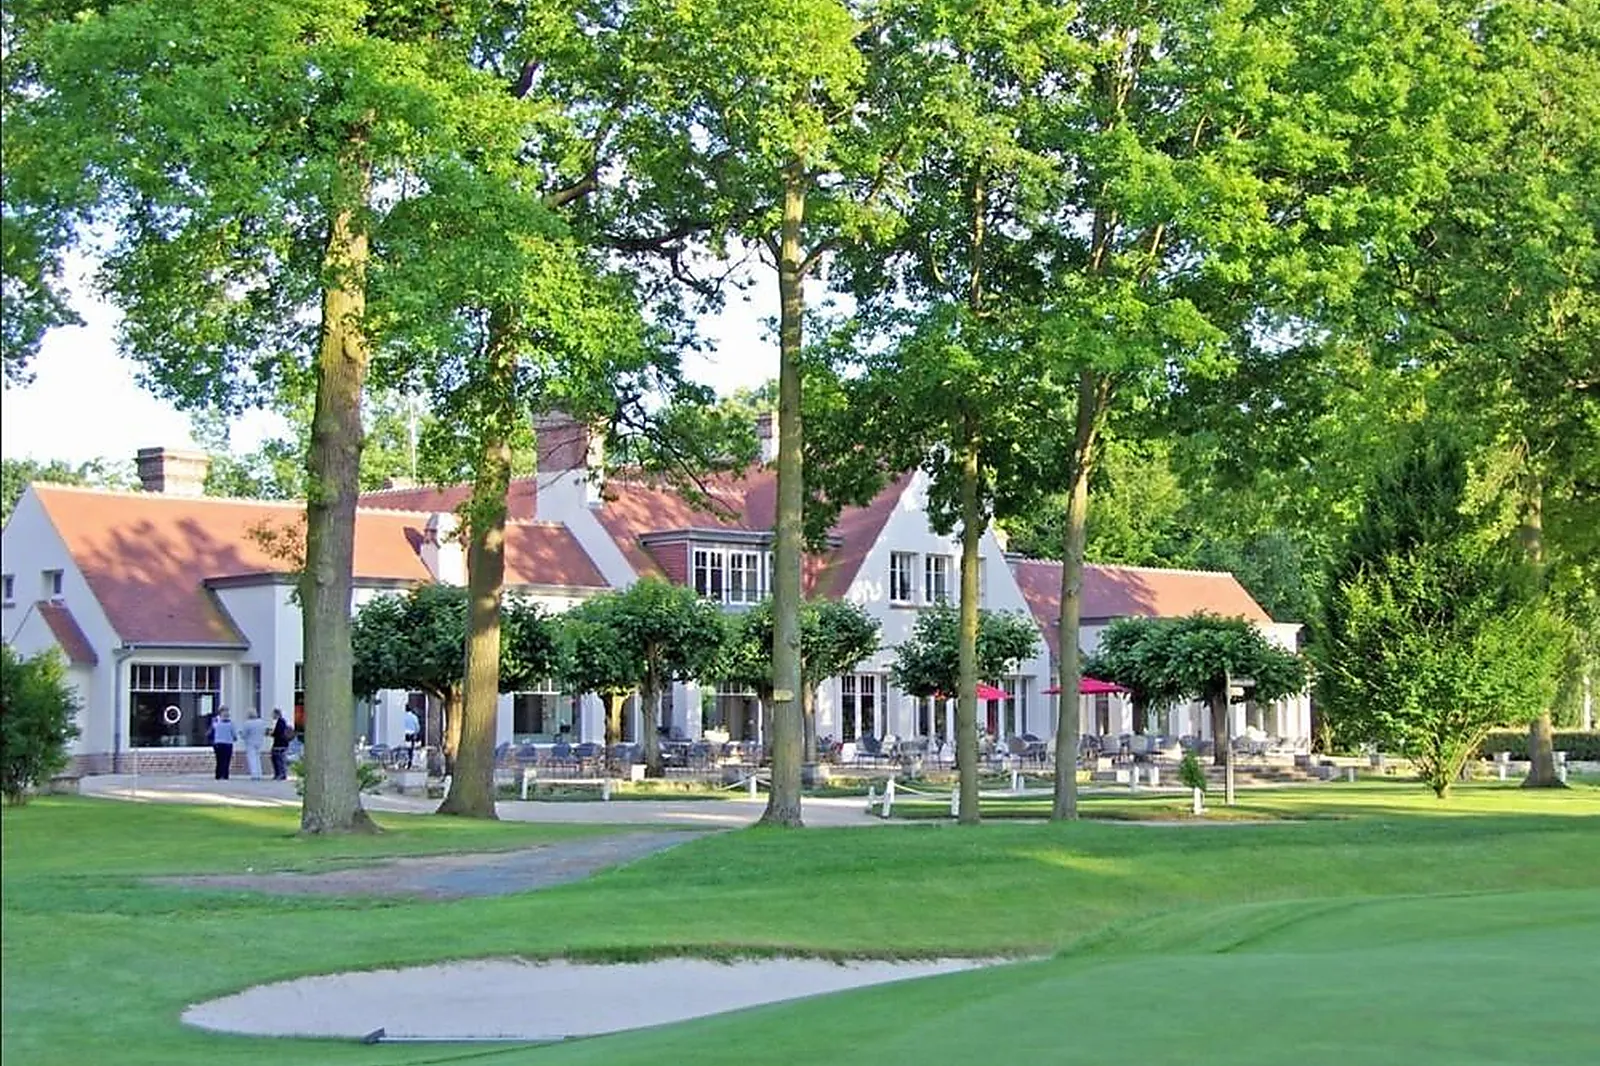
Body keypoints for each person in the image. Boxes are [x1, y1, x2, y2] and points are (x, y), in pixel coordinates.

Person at [239, 709, 268, 780]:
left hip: (250, 743)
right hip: (259, 742)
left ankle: (254, 775)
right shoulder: (261, 722)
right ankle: (259, 774)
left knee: (252, 759)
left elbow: (244, 734)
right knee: (258, 758)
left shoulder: (247, 723)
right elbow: (264, 732)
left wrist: (241, 734)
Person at [209, 707, 235, 780]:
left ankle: (219, 775)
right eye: (225, 712)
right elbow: (234, 734)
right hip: (226, 743)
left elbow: (213, 729)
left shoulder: (216, 722)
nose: (226, 713)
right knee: (225, 760)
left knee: (220, 760)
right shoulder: (230, 723)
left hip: (219, 743)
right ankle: (224, 775)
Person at [269, 709, 292, 781]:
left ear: (277, 714)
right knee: (280, 759)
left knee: (277, 759)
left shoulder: (280, 722)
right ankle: (281, 774)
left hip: (279, 744)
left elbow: (278, 732)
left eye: (273, 714)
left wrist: (271, 733)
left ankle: (280, 774)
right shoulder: (282, 721)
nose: (272, 716)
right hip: (282, 743)